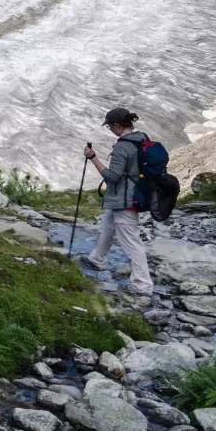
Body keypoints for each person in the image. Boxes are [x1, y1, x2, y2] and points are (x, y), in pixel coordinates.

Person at [80, 107, 155, 307]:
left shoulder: (123, 146)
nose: (110, 130)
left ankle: (142, 285)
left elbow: (112, 176)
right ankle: (97, 258)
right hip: (133, 195)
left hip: (125, 199)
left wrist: (93, 158)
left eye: (111, 126)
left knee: (131, 241)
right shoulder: (142, 138)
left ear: (117, 125)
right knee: (108, 225)